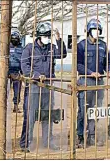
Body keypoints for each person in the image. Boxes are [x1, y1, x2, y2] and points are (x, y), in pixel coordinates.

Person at [20, 21, 67, 152]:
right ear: (39, 36)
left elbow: (62, 54)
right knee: (30, 116)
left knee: (47, 115)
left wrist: (58, 39)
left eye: (49, 36)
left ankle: (47, 142)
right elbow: (24, 67)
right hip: (34, 87)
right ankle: (27, 144)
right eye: (45, 36)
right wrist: (35, 75)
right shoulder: (29, 48)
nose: (47, 38)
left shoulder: (51, 47)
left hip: (48, 87)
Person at [76, 18, 110, 148]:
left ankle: (91, 136)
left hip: (99, 82)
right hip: (86, 81)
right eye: (94, 30)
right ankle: (79, 136)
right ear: (89, 31)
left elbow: (106, 63)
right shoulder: (81, 45)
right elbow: (78, 65)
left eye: (98, 30)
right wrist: (90, 72)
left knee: (95, 110)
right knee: (83, 110)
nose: (96, 32)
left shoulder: (103, 45)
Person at [9, 29, 23, 113]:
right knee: (4, 91)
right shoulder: (6, 47)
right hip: (7, 73)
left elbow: (23, 61)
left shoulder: (22, 49)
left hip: (17, 72)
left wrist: (22, 73)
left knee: (17, 91)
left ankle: (16, 106)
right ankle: (4, 107)